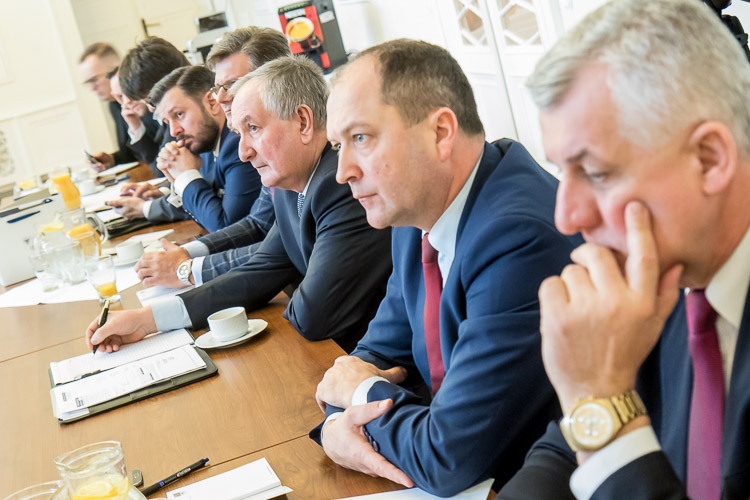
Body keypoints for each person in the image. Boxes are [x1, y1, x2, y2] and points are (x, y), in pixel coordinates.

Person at [497, 1, 750, 499]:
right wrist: (592, 401)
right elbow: (567, 444)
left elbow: (597, 421)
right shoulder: (659, 274)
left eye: (595, 173)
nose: (566, 217)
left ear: (709, 158)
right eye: (562, 171)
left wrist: (599, 397)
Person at [312, 39, 581, 496]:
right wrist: (338, 423)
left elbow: (448, 454)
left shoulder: (518, 237)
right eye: (338, 145)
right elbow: (370, 358)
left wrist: (360, 398)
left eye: (360, 138)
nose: (343, 172)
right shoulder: (415, 214)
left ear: (440, 133)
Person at [85, 56, 392, 353]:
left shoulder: (338, 185)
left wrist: (292, 289)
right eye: (238, 134)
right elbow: (260, 270)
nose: (244, 152)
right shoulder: (292, 183)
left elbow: (313, 316)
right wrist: (147, 319)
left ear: (303, 121)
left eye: (253, 129)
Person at [134, 27, 290, 288]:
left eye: (232, 85)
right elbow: (257, 224)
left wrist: (185, 269)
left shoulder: (238, 144)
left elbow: (232, 226)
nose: (221, 98)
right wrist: (186, 254)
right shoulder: (221, 141)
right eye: (219, 88)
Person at [136, 64, 262, 232]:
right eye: (167, 122)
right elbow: (206, 209)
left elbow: (227, 229)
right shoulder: (205, 144)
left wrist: (186, 176)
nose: (174, 131)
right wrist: (177, 180)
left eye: (179, 114)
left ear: (212, 103)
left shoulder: (237, 145)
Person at [112, 37, 192, 218]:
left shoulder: (186, 117)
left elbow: (215, 200)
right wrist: (162, 190)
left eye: (150, 100)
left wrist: (146, 208)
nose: (150, 109)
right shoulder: (172, 115)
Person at [78, 43, 153, 171]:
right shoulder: (114, 105)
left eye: (94, 80)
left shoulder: (141, 100)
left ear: (115, 70)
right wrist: (113, 159)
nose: (92, 88)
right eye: (88, 82)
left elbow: (155, 150)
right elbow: (134, 152)